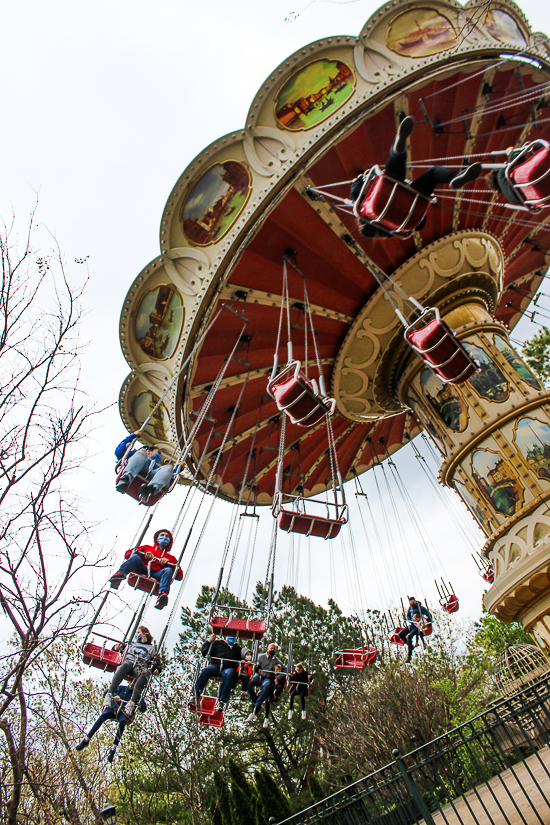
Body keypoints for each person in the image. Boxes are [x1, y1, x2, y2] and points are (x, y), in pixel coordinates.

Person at [350, 117, 482, 238]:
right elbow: (356, 192)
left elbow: (420, 224)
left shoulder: (394, 229)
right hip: (384, 196)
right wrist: (359, 180)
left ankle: (455, 177)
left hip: (409, 210)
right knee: (393, 172)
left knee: (433, 174)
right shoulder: (363, 214)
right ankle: (398, 149)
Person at [109, 529, 182, 610]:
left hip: (157, 574)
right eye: (162, 535)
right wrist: (142, 555)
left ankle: (163, 594)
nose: (164, 537)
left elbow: (179, 576)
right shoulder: (147, 548)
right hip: (143, 569)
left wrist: (168, 564)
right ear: (157, 538)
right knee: (135, 557)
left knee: (168, 570)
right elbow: (128, 554)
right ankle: (119, 575)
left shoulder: (171, 558)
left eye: (167, 536)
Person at [75, 682, 146, 763]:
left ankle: (113, 749)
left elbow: (143, 708)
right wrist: (114, 696)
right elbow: (107, 693)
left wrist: (137, 704)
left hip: (124, 713)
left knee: (122, 722)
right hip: (113, 709)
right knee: (103, 716)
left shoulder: (137, 695)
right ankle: (86, 739)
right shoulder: (120, 688)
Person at [103, 626, 161, 721]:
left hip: (139, 667)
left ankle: (132, 702)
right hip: (129, 663)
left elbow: (156, 662)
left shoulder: (151, 649)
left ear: (144, 634)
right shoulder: (131, 644)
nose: (137, 635)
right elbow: (116, 651)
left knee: (145, 673)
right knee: (124, 665)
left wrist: (157, 669)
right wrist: (115, 648)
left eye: (139, 633)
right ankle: (110, 693)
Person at [115, 429, 183, 503]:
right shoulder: (136, 454)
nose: (159, 456)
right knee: (142, 453)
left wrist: (178, 468)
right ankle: (126, 479)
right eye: (158, 452)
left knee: (168, 468)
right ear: (148, 451)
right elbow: (119, 452)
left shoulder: (158, 468)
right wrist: (133, 436)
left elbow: (170, 478)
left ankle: (150, 490)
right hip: (138, 465)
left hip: (152, 474)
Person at [191, 634, 243, 714]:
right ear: (225, 636)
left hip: (228, 668)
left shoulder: (238, 649)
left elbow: (244, 658)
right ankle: (196, 694)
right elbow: (205, 653)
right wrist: (208, 642)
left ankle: (222, 701)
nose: (232, 637)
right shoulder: (217, 643)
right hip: (216, 666)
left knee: (229, 674)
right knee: (206, 670)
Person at [247, 643, 286, 723]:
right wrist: (258, 670)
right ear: (268, 649)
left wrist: (280, 675)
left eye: (274, 649)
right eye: (271, 648)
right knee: (248, 685)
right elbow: (256, 665)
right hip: (258, 676)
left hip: (266, 678)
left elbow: (285, 669)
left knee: (266, 685)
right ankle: (256, 701)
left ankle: (257, 704)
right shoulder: (261, 657)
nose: (272, 650)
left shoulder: (276, 660)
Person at [398, 596, 432, 663]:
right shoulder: (410, 608)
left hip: (418, 626)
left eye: (412, 602)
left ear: (414, 601)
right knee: (400, 634)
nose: (411, 603)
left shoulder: (420, 608)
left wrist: (425, 621)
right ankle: (410, 645)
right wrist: (409, 619)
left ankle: (409, 655)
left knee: (409, 637)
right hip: (412, 625)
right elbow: (408, 616)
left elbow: (429, 615)